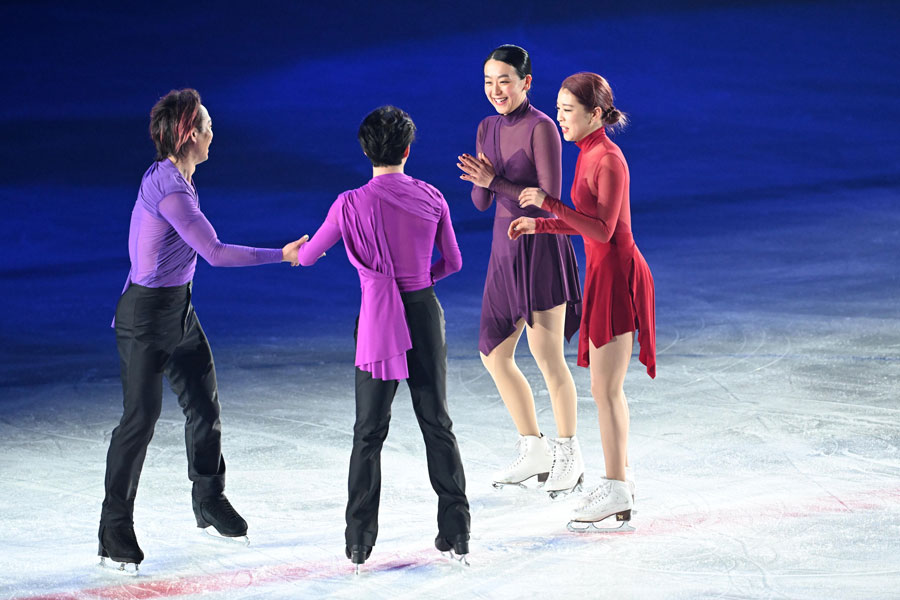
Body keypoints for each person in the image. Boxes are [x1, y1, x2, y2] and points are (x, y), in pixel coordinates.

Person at [99, 88, 307, 571]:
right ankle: (113, 528)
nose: (214, 133)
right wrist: (282, 254)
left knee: (204, 405)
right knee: (140, 420)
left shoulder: (179, 177)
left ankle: (208, 499)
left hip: (179, 311)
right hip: (145, 318)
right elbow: (214, 253)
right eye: (207, 126)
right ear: (189, 135)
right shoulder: (171, 191)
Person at [299, 106, 470, 570]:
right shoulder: (432, 197)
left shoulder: (348, 204)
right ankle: (457, 531)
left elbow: (309, 256)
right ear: (407, 150)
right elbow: (454, 262)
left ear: (365, 151)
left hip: (378, 318)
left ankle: (359, 540)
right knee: (436, 421)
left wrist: (297, 251)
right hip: (423, 313)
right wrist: (420, 281)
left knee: (369, 431)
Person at [510, 72, 656, 530]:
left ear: (595, 114)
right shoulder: (587, 152)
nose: (560, 118)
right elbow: (584, 221)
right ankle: (620, 481)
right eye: (558, 109)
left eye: (567, 110)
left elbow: (603, 230)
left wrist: (548, 205)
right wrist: (540, 224)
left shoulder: (608, 159)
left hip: (617, 277)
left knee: (605, 390)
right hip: (602, 273)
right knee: (605, 389)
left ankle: (616, 487)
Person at [456, 45, 584, 495]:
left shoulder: (542, 127)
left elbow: (550, 200)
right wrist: (484, 181)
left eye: (505, 81)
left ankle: (569, 453)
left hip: (541, 248)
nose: (496, 90)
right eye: (489, 82)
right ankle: (534, 449)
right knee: (493, 353)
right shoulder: (487, 127)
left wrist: (495, 181)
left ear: (526, 82)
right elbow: (481, 202)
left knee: (547, 357)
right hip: (503, 253)